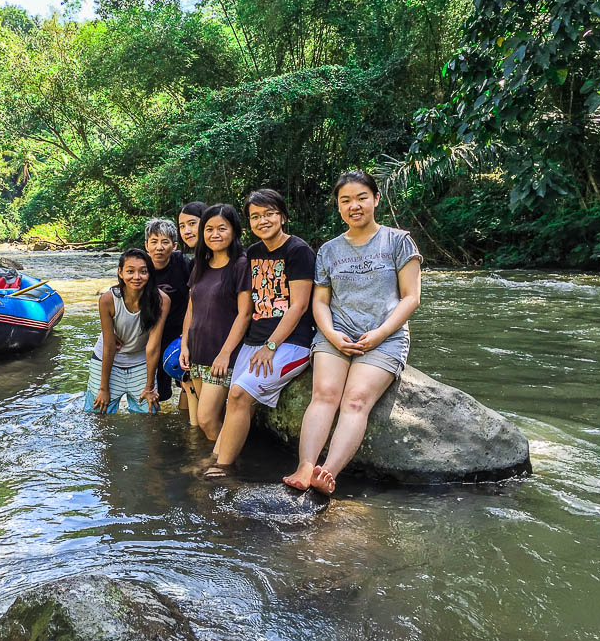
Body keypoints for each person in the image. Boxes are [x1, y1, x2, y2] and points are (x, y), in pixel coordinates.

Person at [282, 170, 422, 495]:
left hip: (385, 336)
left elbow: (411, 297)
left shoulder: (398, 241)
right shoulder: (329, 250)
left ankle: (327, 472)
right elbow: (319, 301)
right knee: (325, 394)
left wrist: (380, 333)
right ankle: (305, 466)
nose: (354, 206)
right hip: (338, 333)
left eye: (361, 198)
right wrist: (330, 334)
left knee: (356, 400)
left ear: (375, 199)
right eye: (345, 200)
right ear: (338, 206)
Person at [205, 189, 315, 478]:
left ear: (282, 216)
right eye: (255, 216)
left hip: (290, 343)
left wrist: (271, 345)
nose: (262, 220)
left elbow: (299, 304)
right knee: (234, 400)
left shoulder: (298, 250)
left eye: (269, 214)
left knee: (240, 394)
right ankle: (216, 456)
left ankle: (222, 469)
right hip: (254, 340)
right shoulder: (252, 253)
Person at [179, 204, 252, 443]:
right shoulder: (201, 264)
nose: (215, 234)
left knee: (206, 419)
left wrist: (225, 354)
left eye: (222, 228)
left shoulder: (241, 265)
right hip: (198, 351)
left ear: (234, 231)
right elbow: (191, 308)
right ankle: (218, 466)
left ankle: (225, 465)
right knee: (211, 418)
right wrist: (184, 346)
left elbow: (245, 314)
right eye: (209, 229)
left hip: (223, 355)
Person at [85, 248, 169, 414]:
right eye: (130, 271)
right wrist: (104, 388)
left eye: (143, 272)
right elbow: (109, 346)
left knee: (148, 416)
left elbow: (153, 346)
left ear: (150, 273)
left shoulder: (162, 301)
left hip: (140, 361)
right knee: (99, 414)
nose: (136, 277)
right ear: (120, 273)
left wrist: (150, 386)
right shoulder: (108, 300)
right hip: (108, 360)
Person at [145, 218, 191, 403]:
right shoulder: (141, 268)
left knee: (186, 382)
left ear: (174, 245)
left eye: (165, 242)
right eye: (154, 242)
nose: (159, 247)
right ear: (146, 245)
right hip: (153, 333)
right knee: (160, 392)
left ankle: (187, 421)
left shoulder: (182, 263)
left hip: (180, 333)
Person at [176, 201, 207, 423]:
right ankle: (194, 447)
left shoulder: (229, 259)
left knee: (206, 418)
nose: (186, 231)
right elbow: (191, 305)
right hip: (197, 341)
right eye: (182, 226)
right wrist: (185, 341)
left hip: (219, 346)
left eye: (192, 224)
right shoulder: (196, 262)